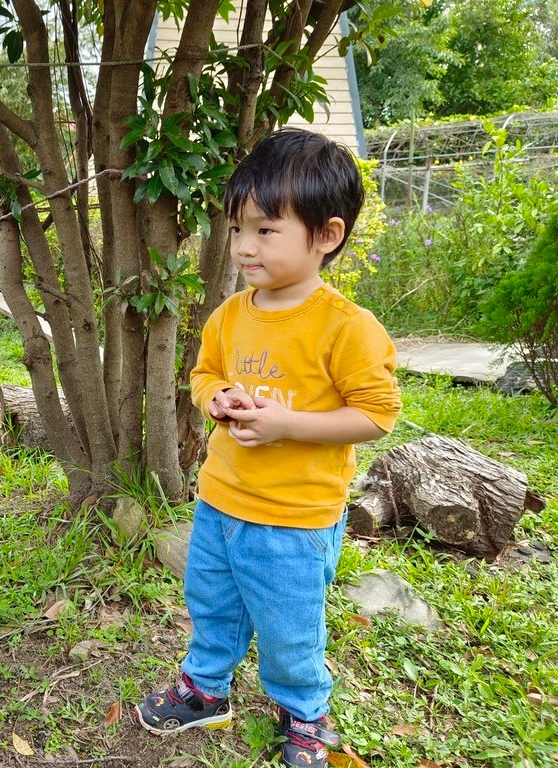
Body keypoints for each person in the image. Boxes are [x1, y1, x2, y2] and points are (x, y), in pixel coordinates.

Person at [134, 128, 401, 767]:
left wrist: (288, 426)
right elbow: (203, 377)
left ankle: (305, 711)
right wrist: (217, 397)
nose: (244, 247)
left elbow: (377, 414)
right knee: (212, 604)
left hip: (293, 518)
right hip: (221, 502)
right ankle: (205, 688)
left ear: (327, 235)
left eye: (265, 230)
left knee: (288, 629)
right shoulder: (231, 314)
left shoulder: (346, 327)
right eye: (237, 230)